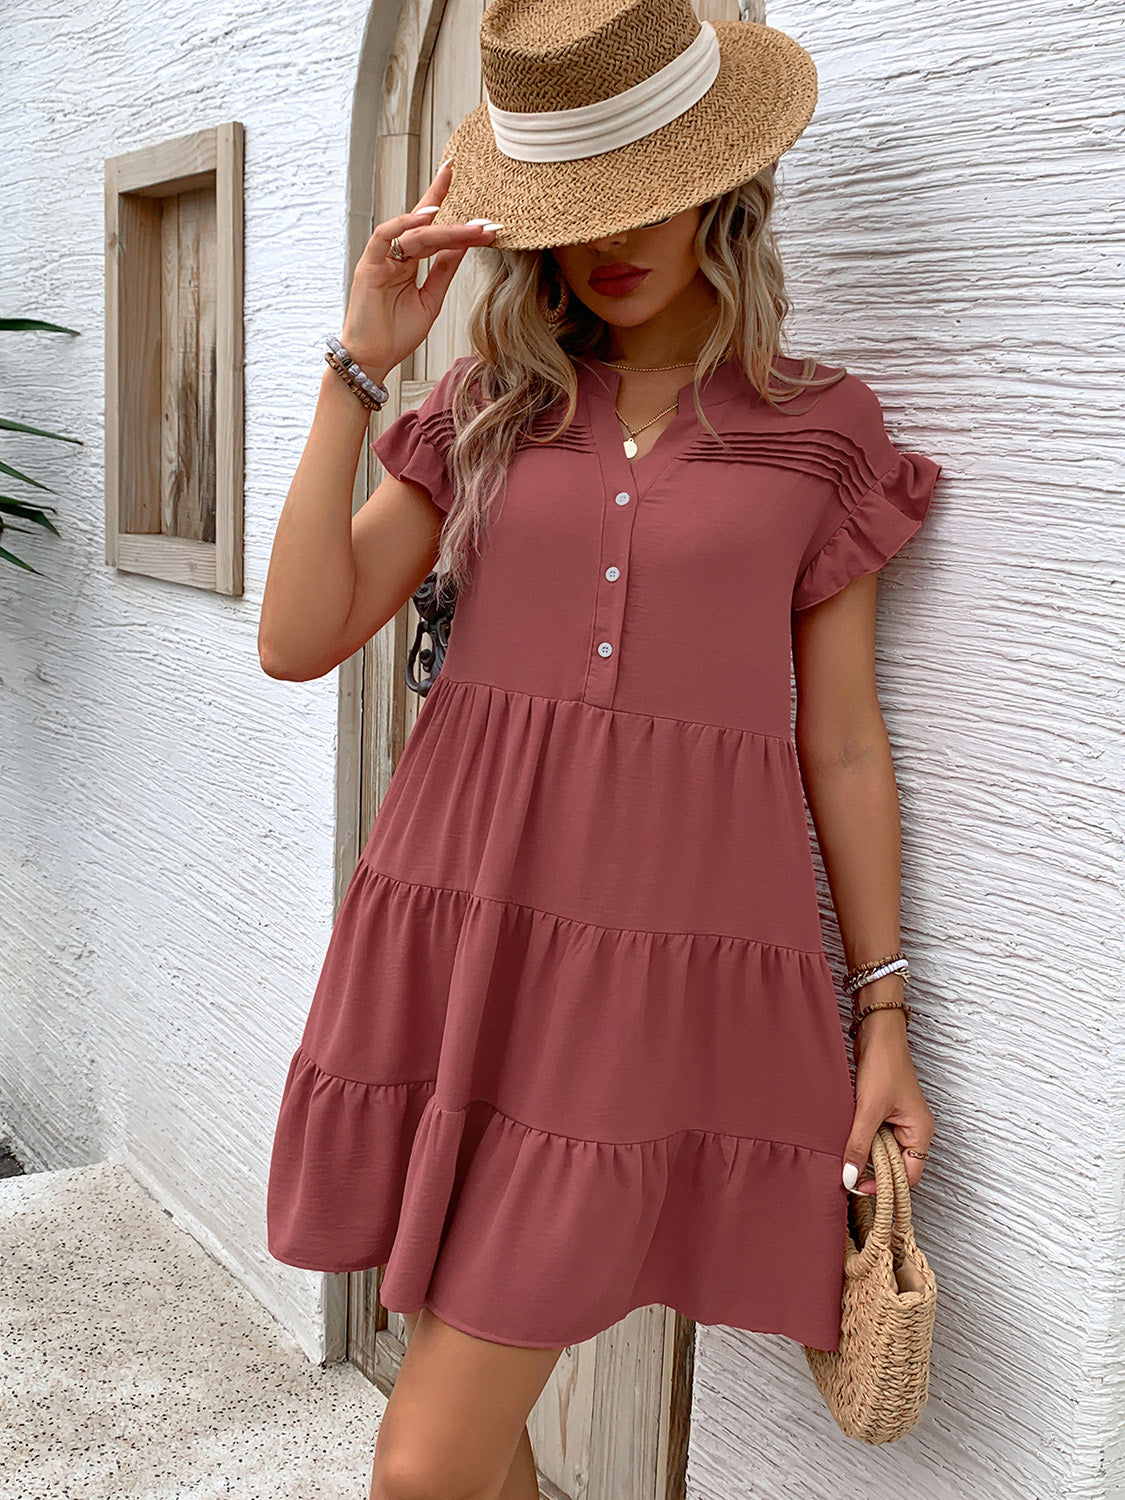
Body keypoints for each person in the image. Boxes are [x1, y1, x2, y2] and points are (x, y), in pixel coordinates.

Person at [258, 2, 942, 1496]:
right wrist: (358, 366)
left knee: (420, 1465)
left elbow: (839, 742)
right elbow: (297, 636)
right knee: (466, 1437)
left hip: (652, 976)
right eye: (575, 212)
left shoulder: (820, 430)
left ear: (724, 192)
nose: (609, 244)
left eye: (646, 197)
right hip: (463, 932)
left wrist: (882, 1014)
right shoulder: (491, 408)